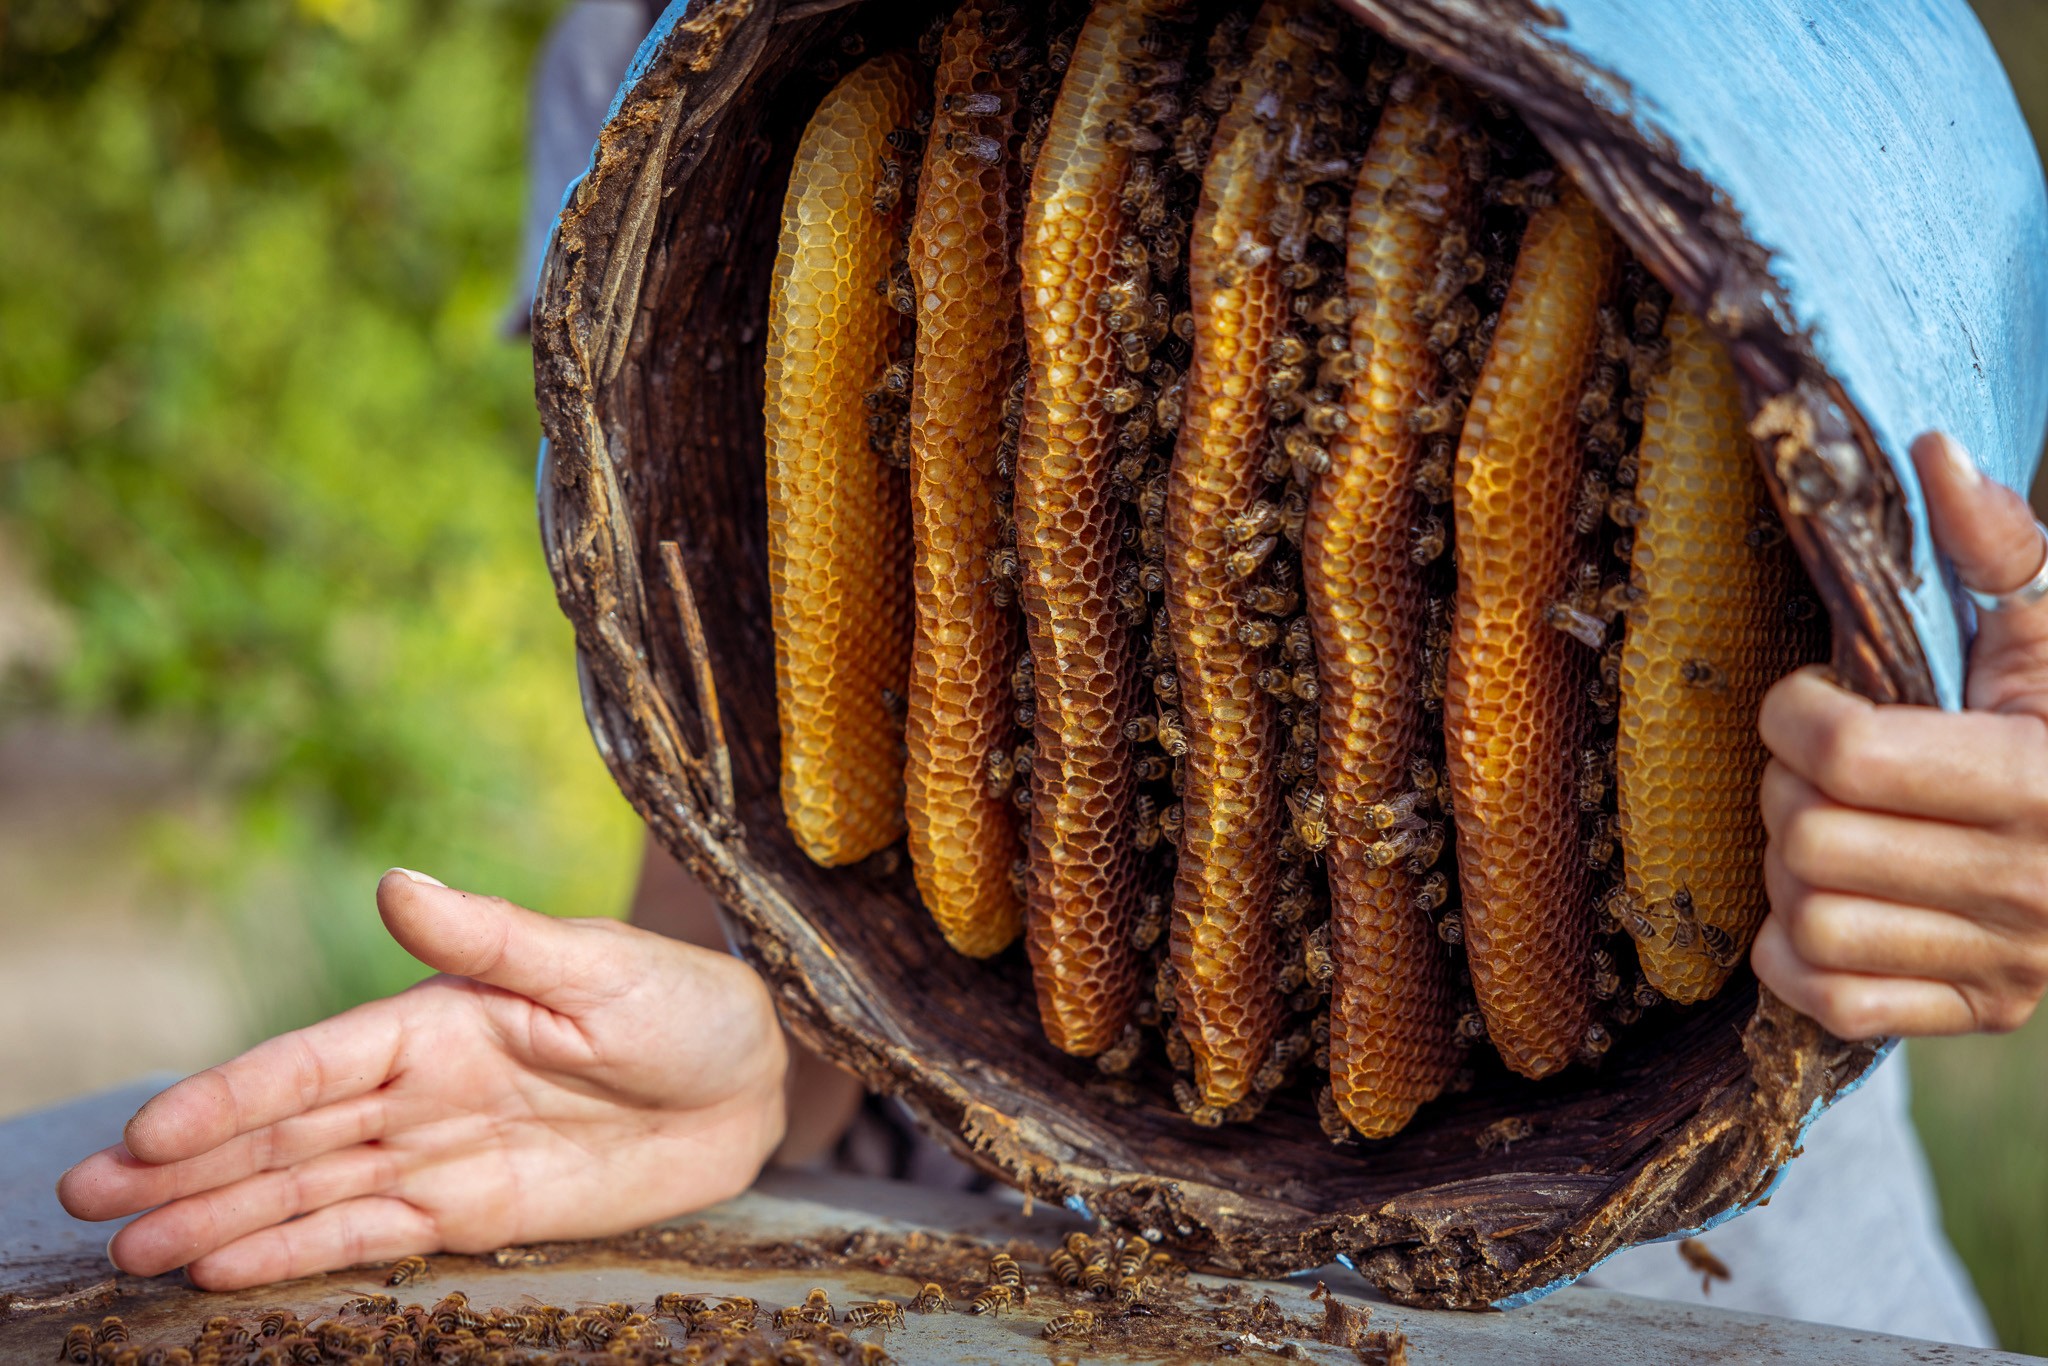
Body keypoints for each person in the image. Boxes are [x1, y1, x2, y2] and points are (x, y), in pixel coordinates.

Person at [56, 4, 2041, 1348]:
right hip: (953, 1252)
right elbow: (819, 701)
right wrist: (756, 1035)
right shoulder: (654, 33)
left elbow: (1985, 571)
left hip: (1709, 1273)